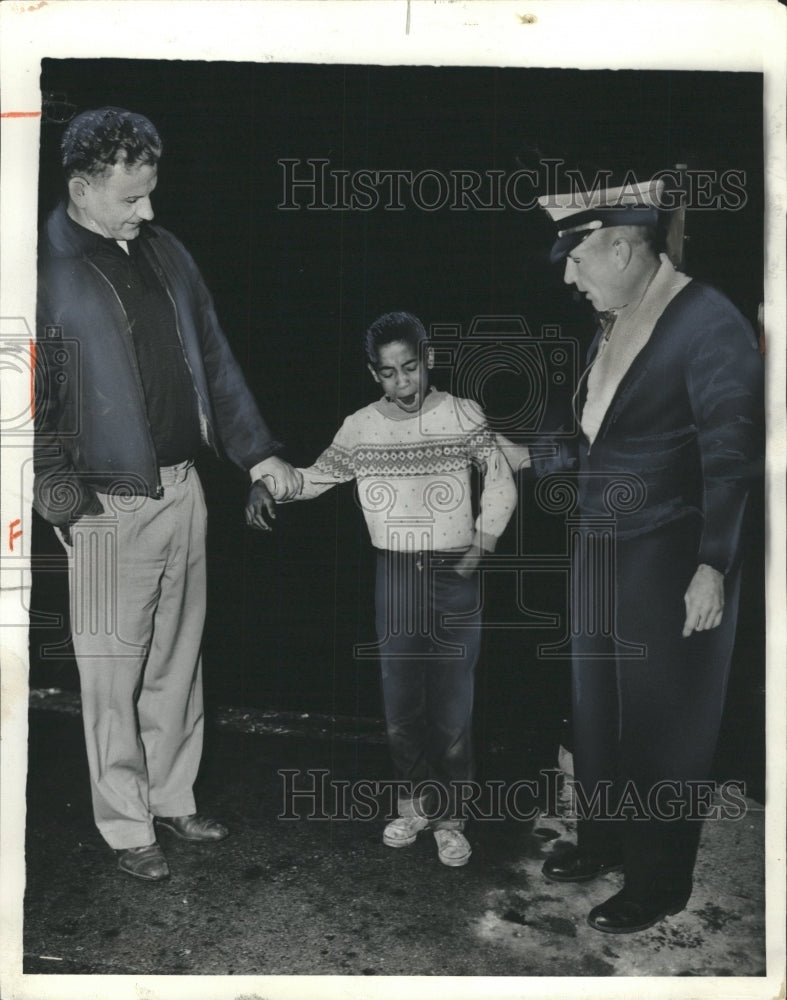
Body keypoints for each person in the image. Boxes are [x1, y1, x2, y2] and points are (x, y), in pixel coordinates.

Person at [34, 107, 302, 881]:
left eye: (152, 193)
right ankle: (126, 826)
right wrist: (63, 502)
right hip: (104, 506)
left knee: (179, 661)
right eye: (130, 198)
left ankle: (172, 794)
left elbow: (213, 357)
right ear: (81, 189)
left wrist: (257, 455)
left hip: (184, 492)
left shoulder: (166, 251)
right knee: (110, 676)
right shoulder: (38, 269)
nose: (148, 211)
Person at [499, 178, 763, 932]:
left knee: (663, 723)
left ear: (622, 244)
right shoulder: (618, 315)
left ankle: (658, 881)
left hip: (670, 553)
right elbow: (595, 435)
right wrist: (521, 453)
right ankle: (605, 840)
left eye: (576, 257)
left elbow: (732, 453)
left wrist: (712, 562)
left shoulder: (707, 322)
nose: (567, 276)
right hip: (600, 546)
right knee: (598, 711)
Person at [274, 311, 517, 866]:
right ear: (372, 373)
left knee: (453, 702)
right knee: (401, 700)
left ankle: (453, 817)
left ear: (428, 359)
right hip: (396, 575)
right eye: (388, 373)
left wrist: (483, 541)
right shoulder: (360, 426)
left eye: (411, 367)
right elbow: (317, 476)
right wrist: (270, 485)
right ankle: (412, 804)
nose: (402, 382)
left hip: (455, 571)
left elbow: (499, 477)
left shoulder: (461, 414)